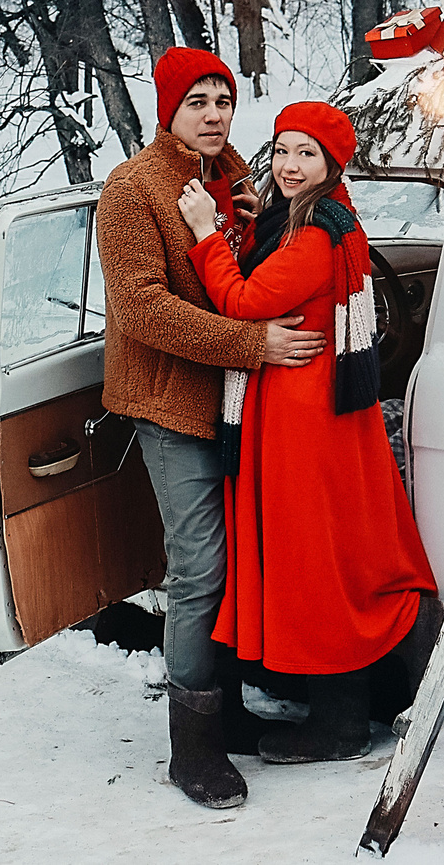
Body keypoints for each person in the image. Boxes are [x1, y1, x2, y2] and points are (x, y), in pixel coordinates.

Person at [176, 100, 441, 764]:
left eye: (307, 154)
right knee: (341, 555)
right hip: (315, 415)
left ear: (331, 164)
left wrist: (207, 232)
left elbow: (239, 301)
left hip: (303, 426)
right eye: (284, 150)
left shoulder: (317, 234)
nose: (291, 165)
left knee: (313, 565)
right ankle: (392, 688)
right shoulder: (312, 217)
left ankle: (341, 720)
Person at [99, 47, 328, 810]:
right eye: (196, 101)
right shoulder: (133, 190)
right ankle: (190, 748)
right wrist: (254, 344)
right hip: (171, 401)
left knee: (237, 561)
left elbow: (254, 272)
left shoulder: (233, 172)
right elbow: (144, 309)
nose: (212, 113)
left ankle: (224, 708)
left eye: (222, 99)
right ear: (168, 108)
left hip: (238, 403)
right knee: (199, 569)